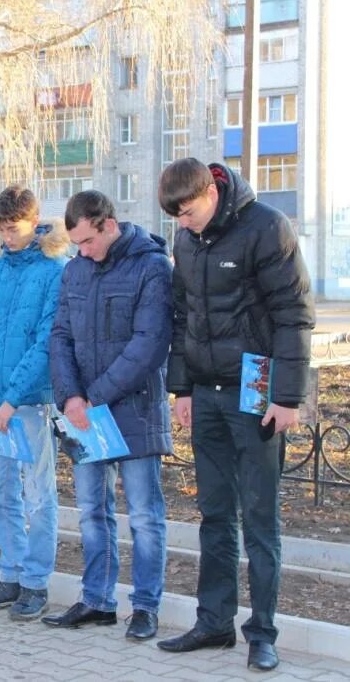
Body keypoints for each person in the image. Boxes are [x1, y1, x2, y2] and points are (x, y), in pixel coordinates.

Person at [155, 158, 314, 672]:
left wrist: (286, 398)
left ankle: (262, 633)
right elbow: (183, 317)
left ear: (211, 191)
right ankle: (214, 623)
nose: (183, 222)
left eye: (188, 210)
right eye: (175, 216)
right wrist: (181, 388)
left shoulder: (267, 227)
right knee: (215, 516)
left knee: (260, 520)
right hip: (207, 394)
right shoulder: (186, 240)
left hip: (257, 395)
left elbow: (293, 313)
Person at [45, 190, 172, 640]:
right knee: (91, 512)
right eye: (76, 243)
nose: (82, 251)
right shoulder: (76, 270)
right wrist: (71, 398)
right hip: (86, 416)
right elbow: (59, 336)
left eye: (88, 241)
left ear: (109, 225)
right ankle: (97, 600)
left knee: (143, 516)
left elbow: (149, 345)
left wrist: (93, 396)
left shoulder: (152, 266)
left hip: (132, 409)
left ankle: (145, 607)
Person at [0, 186, 67, 620]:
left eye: (14, 227)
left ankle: (36, 582)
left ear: (35, 220)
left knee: (39, 495)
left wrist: (12, 399)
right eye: (1, 229)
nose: (7, 236)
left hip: (29, 405)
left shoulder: (54, 270)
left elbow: (46, 341)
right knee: (1, 494)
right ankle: (11, 573)